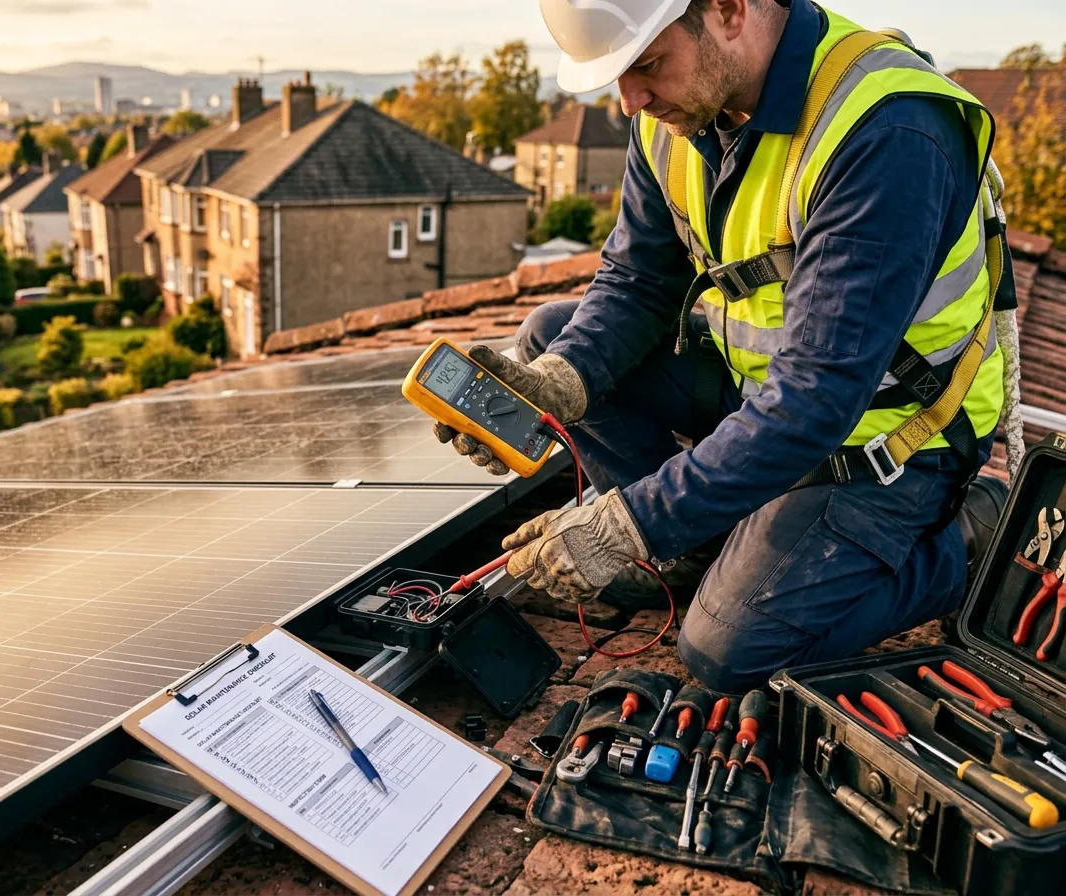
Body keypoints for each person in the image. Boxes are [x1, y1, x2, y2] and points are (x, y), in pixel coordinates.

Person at [433, 0, 1014, 692]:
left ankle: (973, 542)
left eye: (647, 65)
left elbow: (814, 402)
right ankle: (691, 549)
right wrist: (558, 380)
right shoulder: (678, 112)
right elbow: (639, 281)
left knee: (724, 651)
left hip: (895, 436)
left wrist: (629, 524)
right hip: (767, 395)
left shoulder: (886, 132)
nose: (631, 101)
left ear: (731, 9)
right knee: (553, 339)